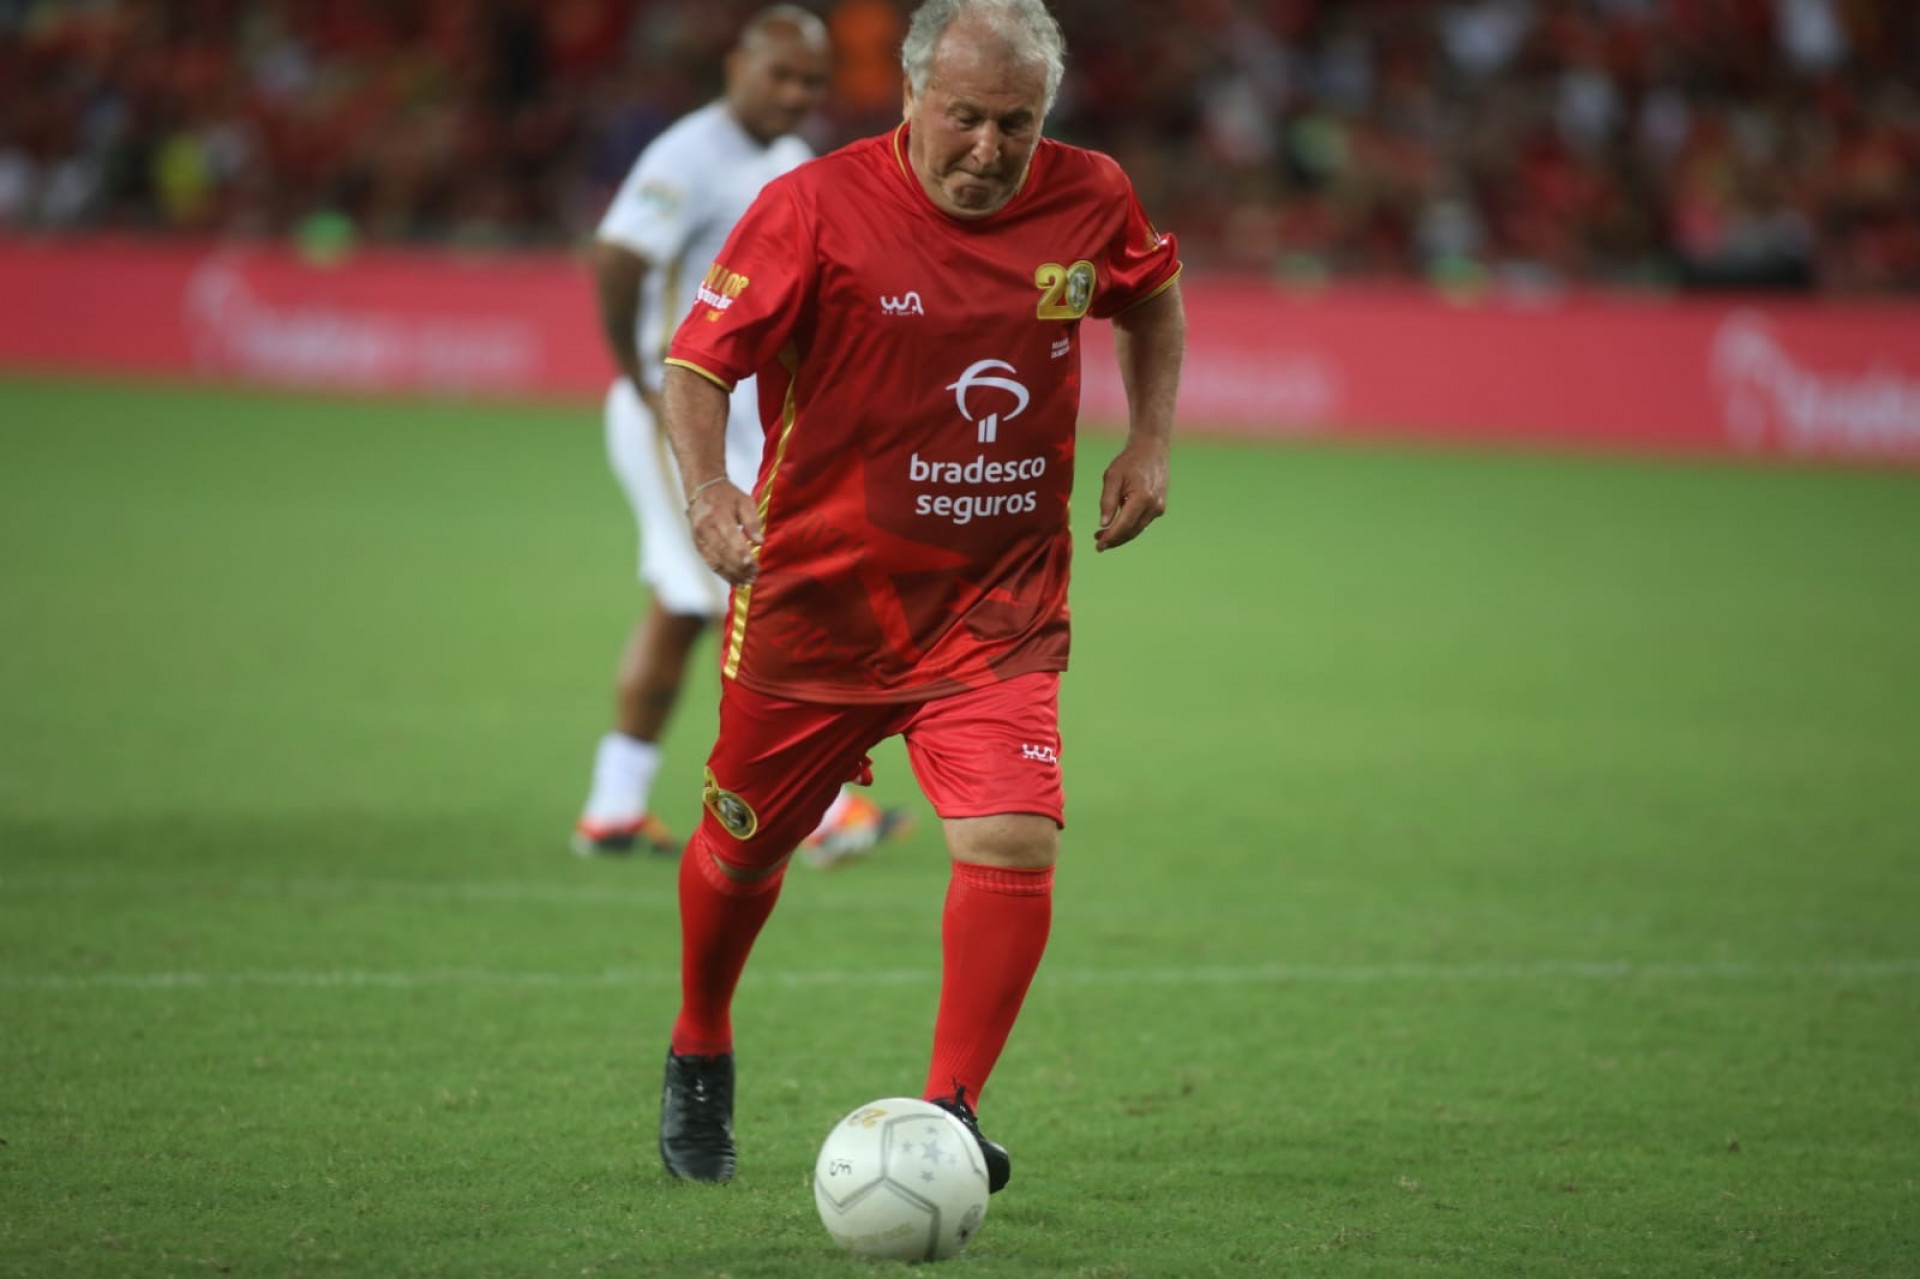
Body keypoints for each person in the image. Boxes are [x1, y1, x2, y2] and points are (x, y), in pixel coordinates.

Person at [651, 0, 1186, 1193]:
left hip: (996, 603)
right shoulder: (812, 207)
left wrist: (1150, 440)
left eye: (1017, 123)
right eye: (965, 118)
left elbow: (1150, 295)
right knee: (743, 852)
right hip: (817, 602)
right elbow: (696, 363)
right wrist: (707, 490)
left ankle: (950, 1110)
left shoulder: (1092, 195)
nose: (990, 150)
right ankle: (700, 1037)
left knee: (1012, 834)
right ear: (908, 97)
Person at [574, 5, 912, 867]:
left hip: (740, 420)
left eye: (812, 82)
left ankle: (613, 809)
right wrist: (638, 374)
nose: (796, 94)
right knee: (756, 592)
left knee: (689, 602)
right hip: (679, 414)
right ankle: (821, 810)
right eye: (780, 75)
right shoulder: (688, 155)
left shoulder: (790, 159)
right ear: (736, 67)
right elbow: (617, 255)